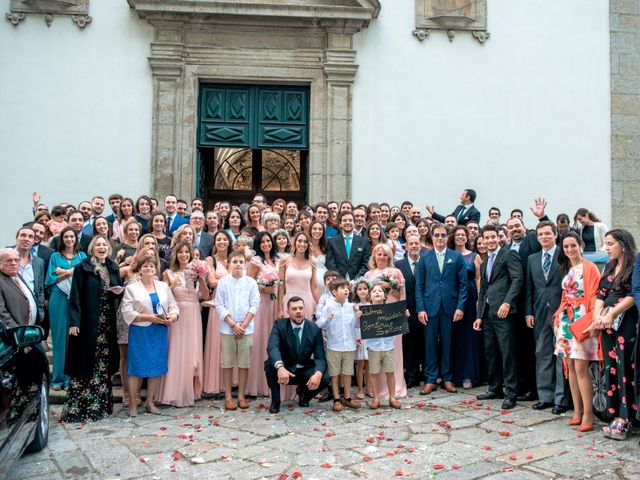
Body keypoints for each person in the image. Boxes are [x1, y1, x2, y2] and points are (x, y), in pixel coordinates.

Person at [62, 236, 123, 422]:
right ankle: (81, 409)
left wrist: (117, 292)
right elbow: (75, 296)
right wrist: (74, 322)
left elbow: (116, 289)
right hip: (88, 322)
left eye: (104, 245)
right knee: (86, 362)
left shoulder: (113, 267)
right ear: (92, 248)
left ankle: (102, 407)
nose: (102, 247)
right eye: (98, 245)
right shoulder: (83, 267)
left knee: (103, 365)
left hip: (107, 323)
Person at [552, 232, 601, 432]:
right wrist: (558, 315)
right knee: (570, 366)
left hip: (582, 319)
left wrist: (591, 322)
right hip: (566, 319)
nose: (570, 249)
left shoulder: (590, 268)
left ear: (580, 245)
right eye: (566, 247)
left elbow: (596, 296)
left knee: (581, 368)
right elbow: (565, 296)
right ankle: (577, 410)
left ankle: (589, 413)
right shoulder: (567, 268)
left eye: (573, 245)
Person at [121, 255, 179, 417]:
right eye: (145, 266)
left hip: (159, 330)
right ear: (139, 269)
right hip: (141, 330)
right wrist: (149, 317)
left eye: (152, 266)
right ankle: (133, 403)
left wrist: (173, 316)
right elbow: (127, 311)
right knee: (136, 367)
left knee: (156, 366)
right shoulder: (132, 288)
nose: (149, 269)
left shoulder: (163, 286)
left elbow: (173, 305)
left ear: (156, 270)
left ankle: (150, 402)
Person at [594, 229, 638, 439]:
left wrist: (612, 313)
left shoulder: (634, 266)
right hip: (607, 326)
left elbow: (632, 295)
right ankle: (615, 415)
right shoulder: (609, 267)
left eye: (610, 243)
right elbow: (600, 294)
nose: (607, 248)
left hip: (626, 325)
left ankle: (626, 417)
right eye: (606, 244)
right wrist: (597, 317)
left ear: (622, 243)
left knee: (625, 370)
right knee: (610, 369)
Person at [473, 225, 523, 410]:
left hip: (504, 312)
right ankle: (495, 388)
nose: (490, 240)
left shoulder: (508, 255)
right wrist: (479, 315)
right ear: (483, 241)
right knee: (491, 352)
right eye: (487, 238)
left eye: (493, 237)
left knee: (507, 353)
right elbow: (483, 289)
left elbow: (517, 279)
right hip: (488, 314)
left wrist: (508, 302)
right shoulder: (485, 262)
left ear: (499, 238)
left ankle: (511, 392)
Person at [415, 224, 467, 395]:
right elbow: (419, 286)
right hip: (429, 308)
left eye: (443, 235)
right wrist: (420, 308)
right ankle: (430, 379)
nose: (439, 238)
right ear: (432, 237)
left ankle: (446, 378)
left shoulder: (456, 257)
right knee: (429, 344)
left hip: (450, 307)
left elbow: (463, 285)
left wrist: (460, 306)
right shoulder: (425, 258)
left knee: (448, 343)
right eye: (436, 235)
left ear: (447, 237)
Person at [525, 221, 569, 414]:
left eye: (547, 234)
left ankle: (561, 399)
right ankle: (545, 396)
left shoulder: (564, 254)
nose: (544, 237)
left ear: (555, 235)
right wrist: (528, 312)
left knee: (560, 356)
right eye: (540, 234)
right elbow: (529, 289)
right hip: (540, 312)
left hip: (562, 312)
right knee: (542, 354)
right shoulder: (532, 259)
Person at [158, 241, 209, 407]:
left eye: (188, 252)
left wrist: (201, 278)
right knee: (177, 351)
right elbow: (162, 298)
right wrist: (171, 286)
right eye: (181, 252)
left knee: (192, 350)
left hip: (194, 313)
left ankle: (191, 390)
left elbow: (206, 297)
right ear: (176, 255)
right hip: (178, 315)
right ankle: (175, 391)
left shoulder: (195, 273)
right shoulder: (168, 273)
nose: (184, 255)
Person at [265, 296, 329, 414]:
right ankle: (276, 401)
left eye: (301, 308)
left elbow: (320, 356)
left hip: (303, 369)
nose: (298, 311)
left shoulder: (314, 328)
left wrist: (318, 373)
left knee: (325, 377)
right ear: (288, 312)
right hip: (286, 370)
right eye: (294, 309)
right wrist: (280, 367)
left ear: (305, 310)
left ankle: (305, 395)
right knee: (270, 365)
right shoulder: (279, 325)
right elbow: (272, 347)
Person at [215, 251, 260, 410]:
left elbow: (254, 304)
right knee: (227, 363)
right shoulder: (223, 283)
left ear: (245, 264)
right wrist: (233, 324)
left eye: (241, 261)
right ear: (229, 263)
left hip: (246, 329)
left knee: (244, 363)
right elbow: (219, 305)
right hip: (228, 329)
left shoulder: (251, 283)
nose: (238, 264)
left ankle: (241, 396)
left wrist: (244, 324)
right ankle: (228, 397)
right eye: (235, 261)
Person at [364, 243, 408, 399]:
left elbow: (400, 296)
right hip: (376, 317)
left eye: (384, 254)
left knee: (393, 351)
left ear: (389, 257)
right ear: (374, 256)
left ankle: (394, 388)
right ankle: (376, 388)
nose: (381, 257)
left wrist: (390, 285)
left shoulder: (395, 272)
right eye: (379, 254)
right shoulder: (369, 275)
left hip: (392, 315)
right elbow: (365, 297)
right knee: (376, 351)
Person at [45, 227, 87, 390]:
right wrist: (70, 273)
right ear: (62, 239)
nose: (70, 239)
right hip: (58, 297)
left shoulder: (82, 256)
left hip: (77, 299)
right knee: (59, 338)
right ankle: (57, 378)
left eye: (72, 236)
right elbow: (50, 279)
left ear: (76, 239)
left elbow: (83, 276)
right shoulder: (55, 256)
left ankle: (70, 378)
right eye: (66, 237)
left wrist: (65, 271)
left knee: (74, 339)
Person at [316, 278, 361, 412]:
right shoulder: (328, 306)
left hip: (349, 345)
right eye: (342, 288)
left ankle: (346, 398)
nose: (346, 290)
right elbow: (319, 324)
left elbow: (356, 326)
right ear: (334, 292)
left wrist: (358, 317)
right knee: (334, 374)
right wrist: (326, 319)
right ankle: (336, 398)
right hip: (334, 346)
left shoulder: (352, 307)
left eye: (347, 287)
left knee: (347, 373)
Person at [246, 232, 281, 397]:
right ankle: (256, 384)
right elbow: (248, 281)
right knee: (259, 340)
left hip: (274, 304)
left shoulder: (278, 260)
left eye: (268, 241)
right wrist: (262, 286)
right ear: (258, 245)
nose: (266, 244)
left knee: (273, 340)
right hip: (261, 304)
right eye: (262, 242)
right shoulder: (256, 261)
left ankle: (273, 380)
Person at [449, 226, 483, 389]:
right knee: (455, 336)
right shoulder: (449, 255)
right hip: (452, 298)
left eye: (464, 235)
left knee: (469, 336)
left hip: (470, 298)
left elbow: (478, 279)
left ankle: (469, 374)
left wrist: (479, 299)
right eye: (458, 235)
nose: (461, 237)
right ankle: (455, 374)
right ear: (453, 237)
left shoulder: (474, 256)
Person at [203, 230, 233, 395]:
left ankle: (231, 381)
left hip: (234, 304)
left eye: (224, 239)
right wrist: (232, 280)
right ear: (214, 243)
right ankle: (216, 382)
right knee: (218, 342)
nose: (222, 242)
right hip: (218, 303)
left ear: (229, 242)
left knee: (231, 342)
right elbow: (212, 282)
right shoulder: (210, 260)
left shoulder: (233, 258)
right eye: (218, 239)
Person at [365, 284, 402, 409]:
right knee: (373, 373)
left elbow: (399, 328)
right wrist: (359, 317)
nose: (377, 293)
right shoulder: (366, 311)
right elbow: (359, 327)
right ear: (370, 296)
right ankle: (376, 398)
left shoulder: (391, 310)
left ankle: (392, 397)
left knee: (390, 372)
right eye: (374, 291)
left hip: (388, 347)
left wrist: (403, 317)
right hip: (373, 347)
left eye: (379, 291)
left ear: (384, 295)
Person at [395, 235, 424, 388]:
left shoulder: (426, 262)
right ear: (406, 246)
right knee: (410, 344)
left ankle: (426, 374)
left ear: (420, 246)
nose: (414, 246)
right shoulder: (398, 265)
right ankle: (412, 376)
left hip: (424, 309)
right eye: (411, 243)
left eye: (416, 243)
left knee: (425, 343)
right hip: (406, 310)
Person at [278, 232, 320, 321]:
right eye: (299, 241)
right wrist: (280, 308)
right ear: (295, 242)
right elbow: (281, 286)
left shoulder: (312, 262)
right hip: (289, 301)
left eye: (305, 242)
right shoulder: (284, 261)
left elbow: (315, 287)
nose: (302, 244)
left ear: (308, 244)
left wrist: (321, 306)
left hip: (307, 302)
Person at [0, 248, 41, 328]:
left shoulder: (17, 276)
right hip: (13, 334)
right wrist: (16, 330)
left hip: (29, 329)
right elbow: (1, 313)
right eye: (9, 260)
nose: (13, 263)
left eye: (16, 260)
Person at [326, 211, 371, 281]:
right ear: (340, 224)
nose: (347, 222)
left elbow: (366, 264)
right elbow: (330, 263)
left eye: (350, 220)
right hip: (338, 282)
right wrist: (341, 280)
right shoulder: (332, 241)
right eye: (344, 220)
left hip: (358, 283)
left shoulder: (364, 242)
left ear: (354, 223)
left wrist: (355, 281)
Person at [351, 276, 373, 398]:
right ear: (356, 292)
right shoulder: (354, 306)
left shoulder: (372, 305)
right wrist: (357, 316)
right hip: (359, 334)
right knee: (360, 363)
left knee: (369, 363)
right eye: (360, 289)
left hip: (369, 336)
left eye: (365, 288)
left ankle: (368, 387)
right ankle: (359, 388)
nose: (363, 291)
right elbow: (353, 324)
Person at [309, 221, 328, 295]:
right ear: (310, 231)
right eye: (314, 229)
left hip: (324, 281)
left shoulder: (325, 246)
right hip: (310, 280)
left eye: (320, 229)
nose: (317, 231)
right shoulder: (305, 245)